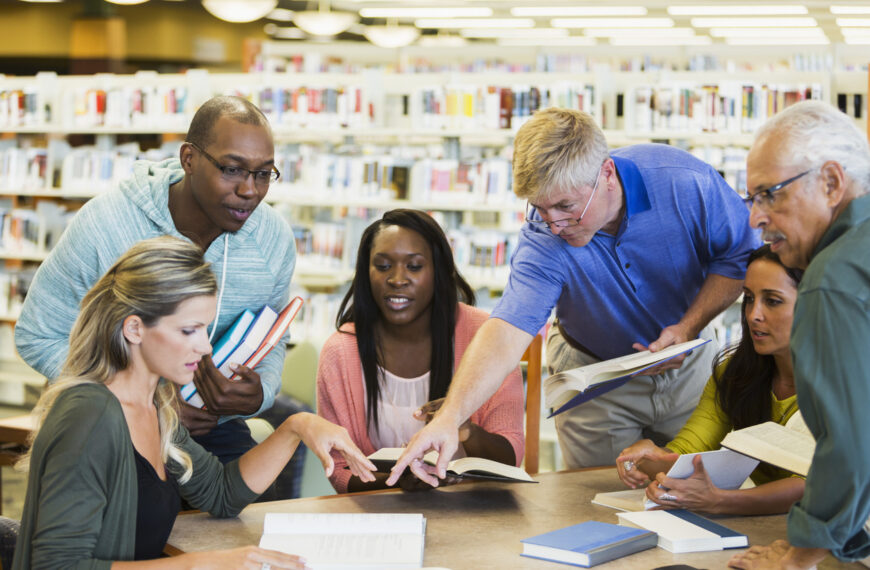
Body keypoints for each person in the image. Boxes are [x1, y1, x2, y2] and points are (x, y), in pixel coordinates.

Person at [388, 107, 759, 487]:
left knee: (695, 486)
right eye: (540, 207)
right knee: (602, 501)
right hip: (592, 378)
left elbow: (738, 256)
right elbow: (508, 328)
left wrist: (688, 326)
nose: (553, 224)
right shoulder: (543, 235)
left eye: (565, 206)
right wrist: (450, 416)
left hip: (690, 364)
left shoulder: (684, 182)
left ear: (607, 175)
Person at [12, 236, 375, 569]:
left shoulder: (156, 406)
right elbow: (55, 566)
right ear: (134, 328)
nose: (205, 347)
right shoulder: (89, 415)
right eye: (189, 330)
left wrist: (298, 426)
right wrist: (196, 564)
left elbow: (222, 493)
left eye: (205, 328)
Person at [14, 96, 303, 485]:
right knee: (130, 533)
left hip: (208, 428)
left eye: (264, 174)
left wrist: (260, 393)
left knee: (245, 517)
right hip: (110, 417)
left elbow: (273, 337)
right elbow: (38, 335)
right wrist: (142, 400)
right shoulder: (106, 224)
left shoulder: (272, 238)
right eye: (233, 169)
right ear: (189, 159)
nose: (250, 190)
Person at [725, 103, 870, 569]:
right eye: (752, 198)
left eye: (770, 194)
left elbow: (853, 441)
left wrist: (797, 558)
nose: (755, 218)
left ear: (830, 182)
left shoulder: (833, 278)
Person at [316, 209, 524, 493]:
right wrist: (399, 483)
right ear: (366, 273)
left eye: (414, 266)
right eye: (383, 266)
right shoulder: (340, 351)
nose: (397, 279)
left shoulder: (486, 336)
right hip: (383, 515)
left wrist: (465, 429)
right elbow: (340, 470)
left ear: (439, 272)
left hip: (474, 510)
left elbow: (511, 456)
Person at [615, 244, 804, 515]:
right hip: (768, 531)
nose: (753, 315)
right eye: (749, 298)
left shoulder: (848, 384)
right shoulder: (735, 373)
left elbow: (821, 484)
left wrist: (719, 500)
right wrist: (652, 459)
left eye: (772, 301)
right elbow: (692, 451)